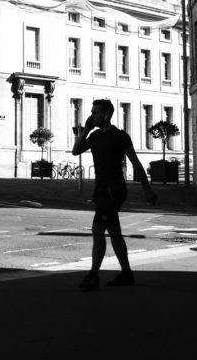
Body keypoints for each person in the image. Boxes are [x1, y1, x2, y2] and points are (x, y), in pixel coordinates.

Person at [72, 99, 157, 291]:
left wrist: (147, 188)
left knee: (97, 230)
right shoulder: (93, 136)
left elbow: (135, 163)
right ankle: (126, 273)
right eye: (92, 112)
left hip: (114, 190)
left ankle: (93, 274)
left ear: (106, 115)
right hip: (101, 190)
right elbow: (76, 150)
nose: (92, 115)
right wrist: (85, 128)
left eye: (95, 113)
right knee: (114, 232)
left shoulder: (120, 136)